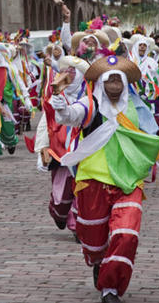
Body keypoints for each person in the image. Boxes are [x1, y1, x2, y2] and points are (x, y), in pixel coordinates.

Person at [52, 54, 159, 303]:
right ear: (101, 84)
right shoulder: (91, 104)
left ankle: (110, 288)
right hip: (92, 179)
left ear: (125, 84)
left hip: (128, 182)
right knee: (92, 238)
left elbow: (151, 136)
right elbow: (71, 115)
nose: (114, 87)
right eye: (109, 82)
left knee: (126, 234)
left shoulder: (138, 107)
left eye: (118, 82)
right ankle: (99, 261)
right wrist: (60, 104)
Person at [35, 55, 90, 236]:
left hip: (83, 153)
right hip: (60, 153)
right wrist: (42, 147)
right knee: (61, 196)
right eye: (67, 71)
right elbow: (46, 121)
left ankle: (77, 226)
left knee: (81, 189)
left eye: (75, 72)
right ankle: (59, 214)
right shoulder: (56, 97)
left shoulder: (90, 98)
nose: (70, 75)